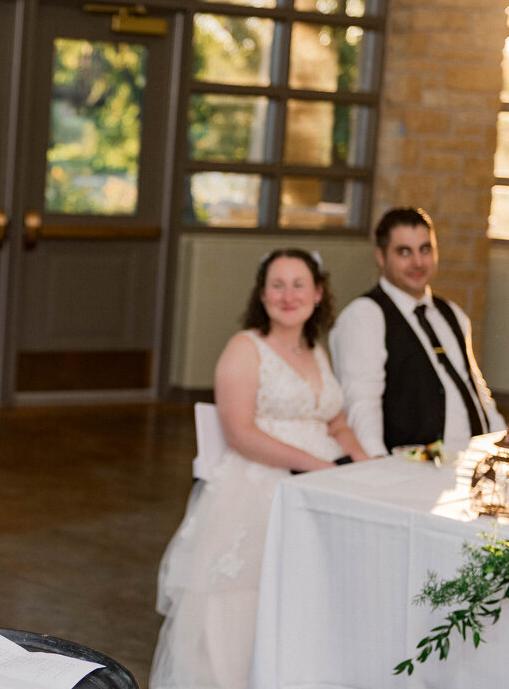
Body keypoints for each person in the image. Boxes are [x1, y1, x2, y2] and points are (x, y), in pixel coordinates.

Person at [152, 248, 367, 689]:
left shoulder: (316, 351)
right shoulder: (245, 348)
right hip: (259, 485)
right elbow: (240, 432)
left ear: (318, 292)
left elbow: (338, 423)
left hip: (322, 482)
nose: (288, 295)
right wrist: (318, 466)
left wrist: (367, 471)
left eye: (299, 284)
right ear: (263, 294)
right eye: (277, 284)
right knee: (245, 598)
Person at [329, 207, 504, 458]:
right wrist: (376, 467)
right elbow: (361, 403)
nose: (418, 263)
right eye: (404, 252)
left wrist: (505, 445)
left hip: (473, 462)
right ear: (381, 256)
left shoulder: (450, 312)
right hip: (412, 468)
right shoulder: (365, 315)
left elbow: (476, 389)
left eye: (425, 249)